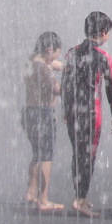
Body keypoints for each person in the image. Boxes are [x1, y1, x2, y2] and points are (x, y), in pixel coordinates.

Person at [61, 12, 112, 218]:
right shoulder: (104, 58)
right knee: (89, 155)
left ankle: (81, 195)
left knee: (77, 153)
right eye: (108, 33)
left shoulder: (71, 53)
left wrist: (65, 110)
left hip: (74, 111)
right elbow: (110, 89)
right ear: (103, 33)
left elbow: (65, 85)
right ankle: (79, 199)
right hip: (92, 113)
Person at [22, 31, 64, 211]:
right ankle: (43, 200)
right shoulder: (44, 69)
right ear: (49, 50)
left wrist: (66, 66)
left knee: (37, 153)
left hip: (29, 113)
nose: (54, 58)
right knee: (46, 156)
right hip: (43, 113)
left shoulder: (30, 61)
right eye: (55, 53)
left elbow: (52, 63)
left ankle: (30, 193)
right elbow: (56, 90)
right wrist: (70, 85)